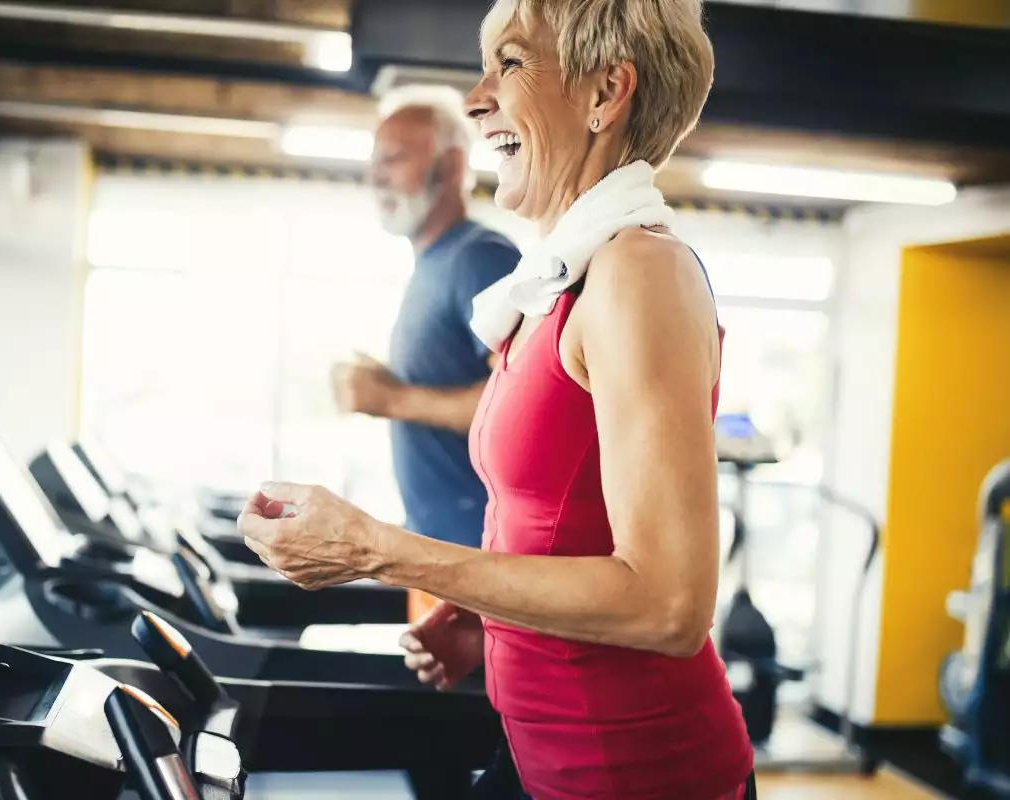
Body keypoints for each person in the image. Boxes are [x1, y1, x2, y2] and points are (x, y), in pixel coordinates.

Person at [240, 0, 756, 798]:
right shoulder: (558, 285)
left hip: (636, 775)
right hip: (540, 754)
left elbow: (669, 604)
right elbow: (565, 519)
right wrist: (487, 617)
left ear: (604, 93)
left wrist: (376, 549)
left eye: (510, 64)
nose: (477, 98)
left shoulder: (637, 273)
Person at [330, 89, 520, 551]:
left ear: (453, 166)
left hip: (479, 562)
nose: (376, 176)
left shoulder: (480, 259)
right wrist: (387, 382)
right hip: (438, 553)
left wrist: (392, 398)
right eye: (375, 161)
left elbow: (525, 405)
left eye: (393, 158)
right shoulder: (434, 264)